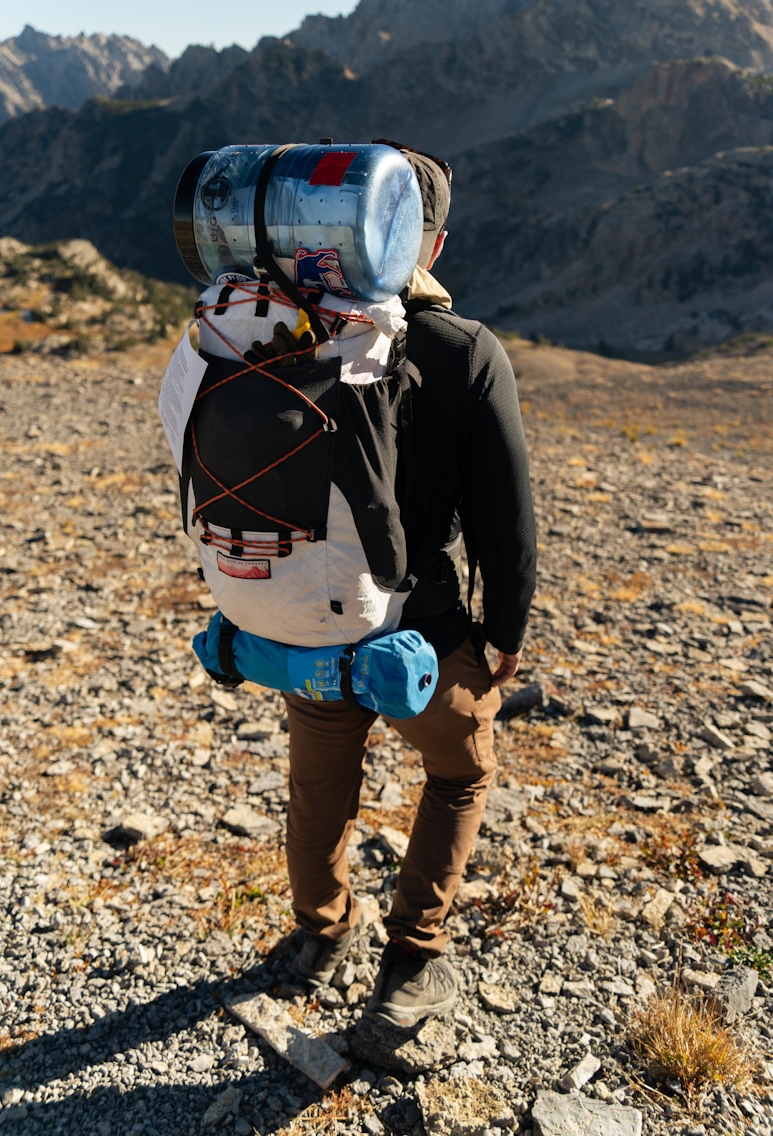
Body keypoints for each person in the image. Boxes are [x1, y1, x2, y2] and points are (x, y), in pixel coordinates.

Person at [286, 144, 537, 1027]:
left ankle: (319, 935)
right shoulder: (466, 350)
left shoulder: (292, 328)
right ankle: (411, 964)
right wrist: (503, 634)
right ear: (431, 247)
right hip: (421, 633)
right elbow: (508, 522)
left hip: (312, 621)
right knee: (460, 772)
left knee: (319, 784)